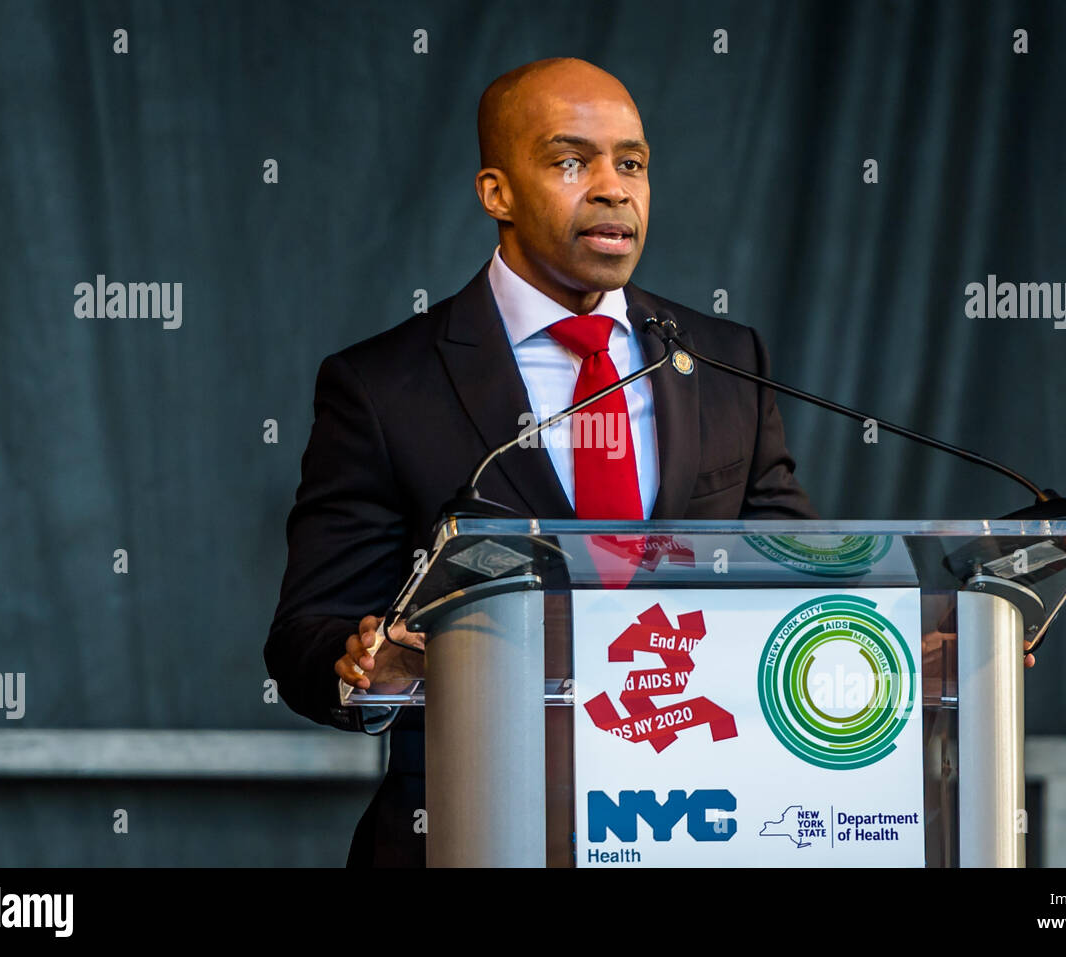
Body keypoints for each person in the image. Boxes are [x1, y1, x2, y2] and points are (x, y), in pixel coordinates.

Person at [264, 56, 824, 868]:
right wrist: (367, 667)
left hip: (700, 826)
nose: (612, 187)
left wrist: (926, 640)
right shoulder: (383, 386)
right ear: (496, 192)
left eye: (630, 163)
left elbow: (793, 576)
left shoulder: (723, 359)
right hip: (469, 829)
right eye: (571, 162)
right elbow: (303, 637)